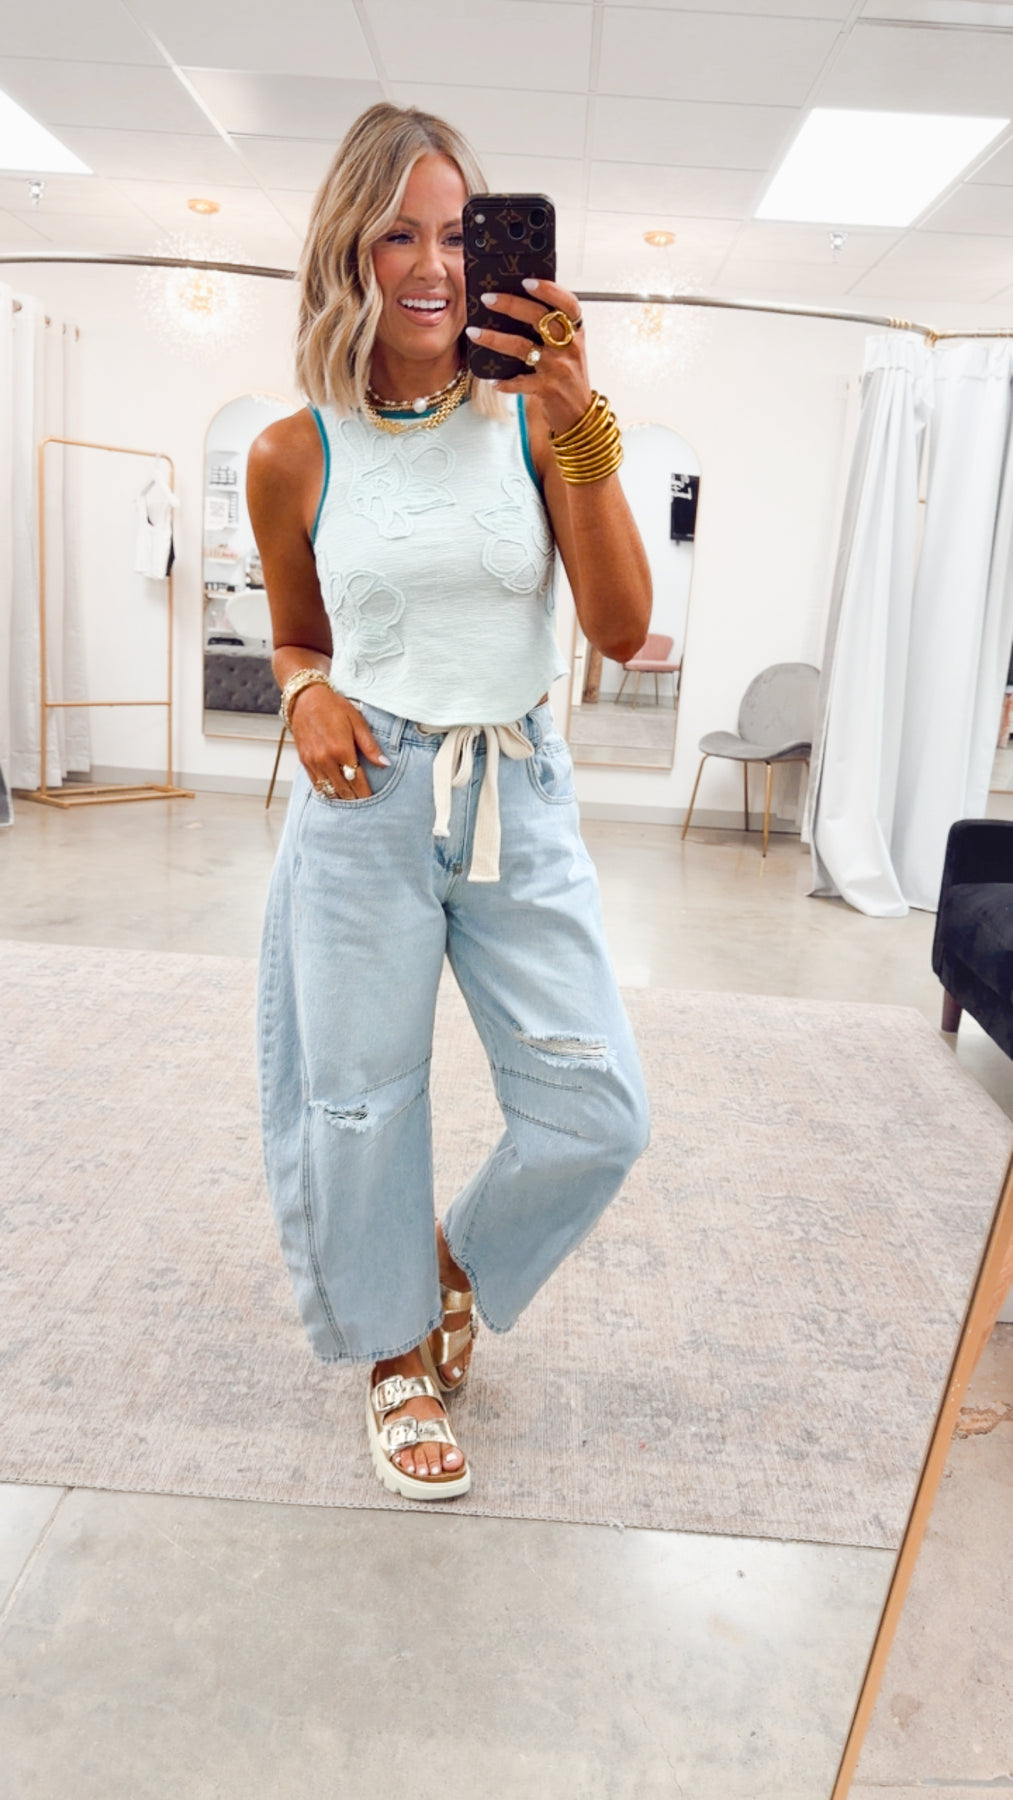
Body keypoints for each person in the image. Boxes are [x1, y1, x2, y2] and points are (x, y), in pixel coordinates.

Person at [248, 103, 652, 1502]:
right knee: (361, 1104)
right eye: (397, 234)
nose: (431, 266)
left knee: (598, 1109)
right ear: (347, 253)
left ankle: (443, 1268)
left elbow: (618, 627)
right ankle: (394, 1355)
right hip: (362, 802)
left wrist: (581, 421)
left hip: (513, 785)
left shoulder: (535, 421)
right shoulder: (292, 451)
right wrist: (303, 691)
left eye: (455, 235)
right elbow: (295, 638)